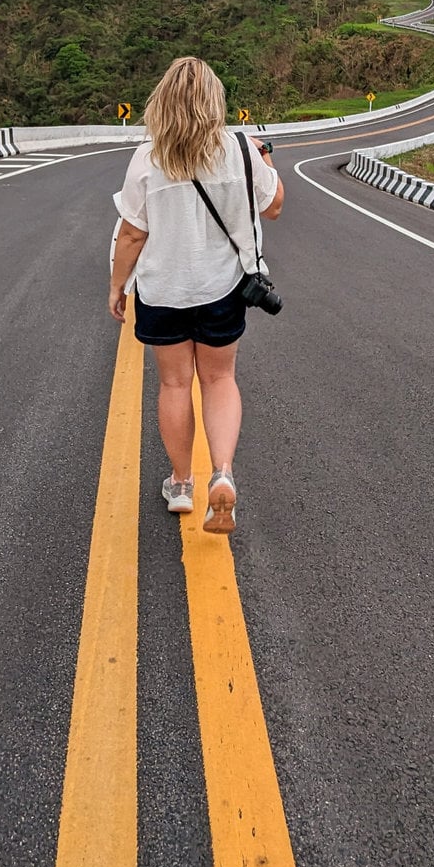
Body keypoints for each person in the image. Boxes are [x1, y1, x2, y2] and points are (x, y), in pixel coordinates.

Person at [109, 56, 284, 534]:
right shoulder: (242, 150)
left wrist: (117, 286)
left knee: (173, 385)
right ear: (216, 102)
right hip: (222, 289)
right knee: (219, 380)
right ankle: (222, 473)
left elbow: (130, 235)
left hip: (165, 291)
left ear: (162, 102)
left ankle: (182, 484)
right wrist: (266, 161)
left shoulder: (147, 158)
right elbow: (274, 207)